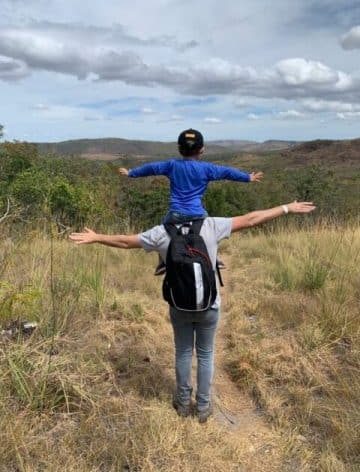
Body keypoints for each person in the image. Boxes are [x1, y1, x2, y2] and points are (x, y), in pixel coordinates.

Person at [69, 200, 315, 423]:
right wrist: (285, 208)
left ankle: (183, 403)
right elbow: (252, 218)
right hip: (209, 306)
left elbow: (125, 241)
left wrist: (97, 236)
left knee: (184, 352)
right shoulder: (211, 226)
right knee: (206, 354)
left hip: (179, 306)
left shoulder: (161, 232)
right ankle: (204, 407)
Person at [119, 129, 264, 275]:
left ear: (179, 148)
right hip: (198, 215)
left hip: (175, 214)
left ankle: (162, 261)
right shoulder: (207, 169)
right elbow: (227, 172)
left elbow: (151, 168)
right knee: (211, 232)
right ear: (202, 150)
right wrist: (247, 178)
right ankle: (214, 258)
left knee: (164, 228)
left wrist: (131, 173)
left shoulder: (172, 165)